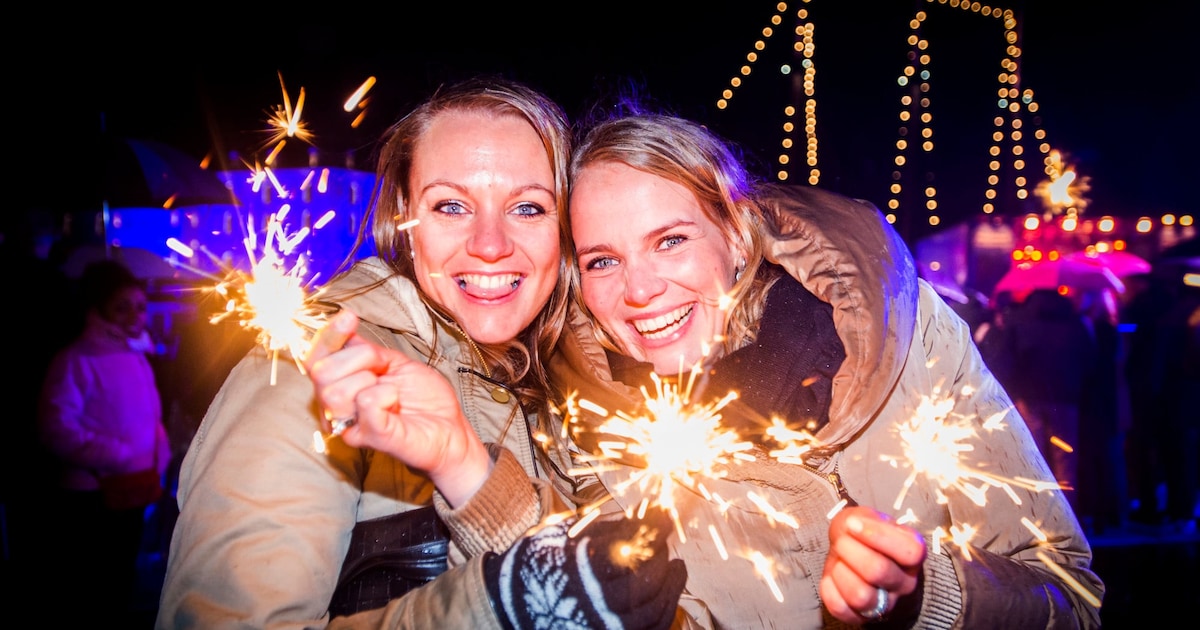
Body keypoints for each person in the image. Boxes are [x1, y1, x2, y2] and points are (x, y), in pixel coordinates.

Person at [157, 76, 685, 629]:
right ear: (405, 216)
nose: (489, 244)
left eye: (528, 208)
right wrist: (492, 610)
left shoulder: (563, 378)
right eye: (451, 205)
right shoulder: (319, 373)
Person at [548, 111, 1104, 628]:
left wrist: (922, 591)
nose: (640, 290)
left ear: (736, 234)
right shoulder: (585, 437)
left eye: (671, 241)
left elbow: (1071, 597)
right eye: (603, 261)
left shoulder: (908, 333)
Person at [38, 258, 172, 626]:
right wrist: (120, 455)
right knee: (95, 592)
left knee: (121, 586)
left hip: (133, 490)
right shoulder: (76, 360)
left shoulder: (135, 355)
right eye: (122, 307)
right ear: (99, 309)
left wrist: (158, 457)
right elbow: (55, 429)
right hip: (92, 497)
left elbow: (146, 420)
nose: (135, 315)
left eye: (140, 307)